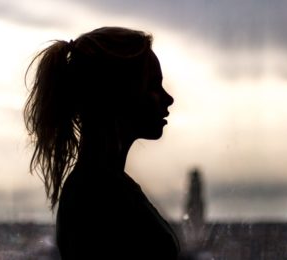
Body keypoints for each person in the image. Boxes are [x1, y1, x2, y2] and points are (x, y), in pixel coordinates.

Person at [24, 27, 179, 259]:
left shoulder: (97, 187)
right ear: (119, 94)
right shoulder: (99, 196)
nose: (169, 98)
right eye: (153, 85)